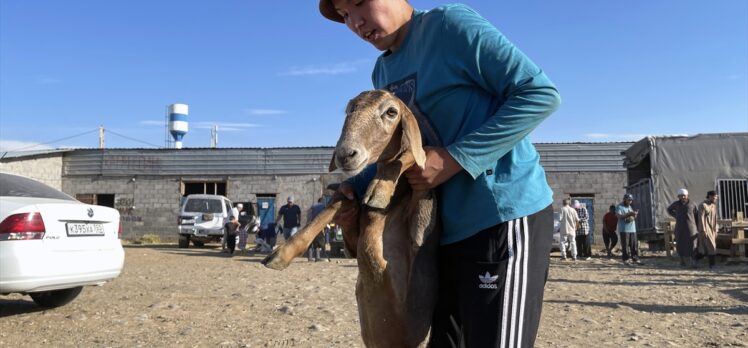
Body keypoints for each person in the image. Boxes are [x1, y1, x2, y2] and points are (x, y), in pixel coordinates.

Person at [319, 1, 561, 345]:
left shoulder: (448, 26)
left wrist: (455, 158)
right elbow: (399, 154)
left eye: (359, 3)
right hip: (436, 237)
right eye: (344, 16)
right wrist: (353, 190)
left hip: (499, 219)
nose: (355, 22)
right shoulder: (382, 72)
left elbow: (539, 94)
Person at [667, 188, 699, 268]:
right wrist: (676, 216)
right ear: (678, 197)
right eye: (681, 196)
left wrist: (698, 227)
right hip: (680, 227)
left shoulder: (692, 204)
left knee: (692, 244)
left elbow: (697, 216)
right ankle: (682, 261)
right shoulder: (676, 204)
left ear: (687, 196)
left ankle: (693, 261)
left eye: (684, 196)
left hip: (691, 227)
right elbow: (669, 210)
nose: (683, 197)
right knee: (680, 243)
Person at [616, 193, 641, 265]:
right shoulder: (619, 207)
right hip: (624, 229)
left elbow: (632, 216)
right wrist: (629, 214)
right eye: (628, 200)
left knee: (634, 245)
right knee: (625, 245)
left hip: (632, 229)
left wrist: (634, 215)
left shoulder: (629, 207)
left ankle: (635, 258)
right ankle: (625, 259)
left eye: (631, 200)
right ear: (624, 199)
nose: (630, 201)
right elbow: (619, 216)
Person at [697, 190, 719, 269]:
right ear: (709, 196)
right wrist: (703, 230)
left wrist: (716, 229)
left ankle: (695, 260)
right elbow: (701, 218)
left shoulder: (713, 205)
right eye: (713, 197)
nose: (715, 198)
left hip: (712, 228)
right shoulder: (703, 205)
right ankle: (712, 265)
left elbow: (715, 218)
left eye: (716, 197)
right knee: (711, 247)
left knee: (709, 247)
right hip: (706, 228)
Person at [306, 198, 328, 262]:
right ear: (322, 201)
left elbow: (309, 215)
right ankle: (317, 257)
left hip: (310, 225)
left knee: (310, 242)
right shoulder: (324, 207)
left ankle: (310, 258)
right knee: (317, 242)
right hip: (318, 225)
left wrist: (308, 224)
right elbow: (325, 216)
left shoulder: (312, 206)